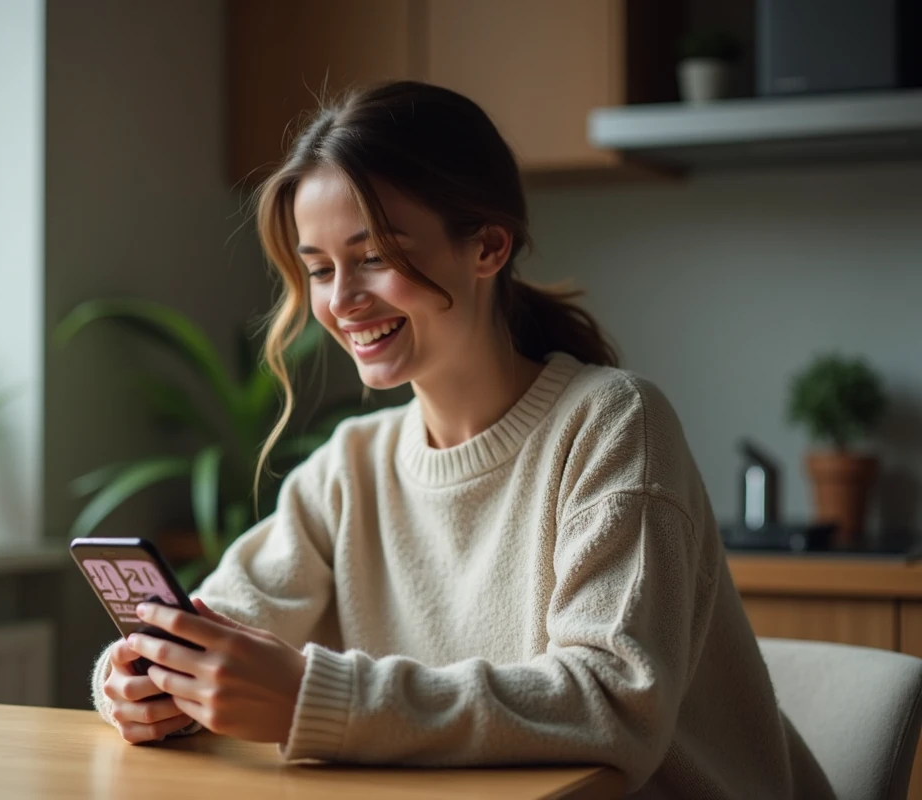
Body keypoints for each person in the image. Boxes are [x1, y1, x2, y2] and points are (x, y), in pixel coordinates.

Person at [90, 81, 834, 799]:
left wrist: (310, 699)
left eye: (373, 257)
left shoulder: (613, 423)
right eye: (318, 270)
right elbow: (219, 620)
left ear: (488, 247)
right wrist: (141, 682)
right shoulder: (349, 467)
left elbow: (614, 703)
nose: (341, 301)